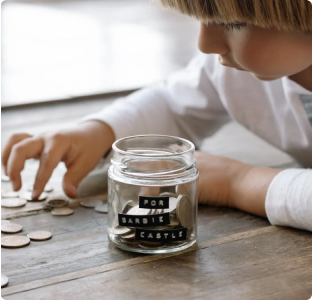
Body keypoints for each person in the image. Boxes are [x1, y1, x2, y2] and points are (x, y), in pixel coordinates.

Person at [2, 0, 311, 231]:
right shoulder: (229, 71)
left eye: (232, 24)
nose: (204, 44)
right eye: (202, 20)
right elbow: (172, 104)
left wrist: (239, 181)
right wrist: (99, 131)